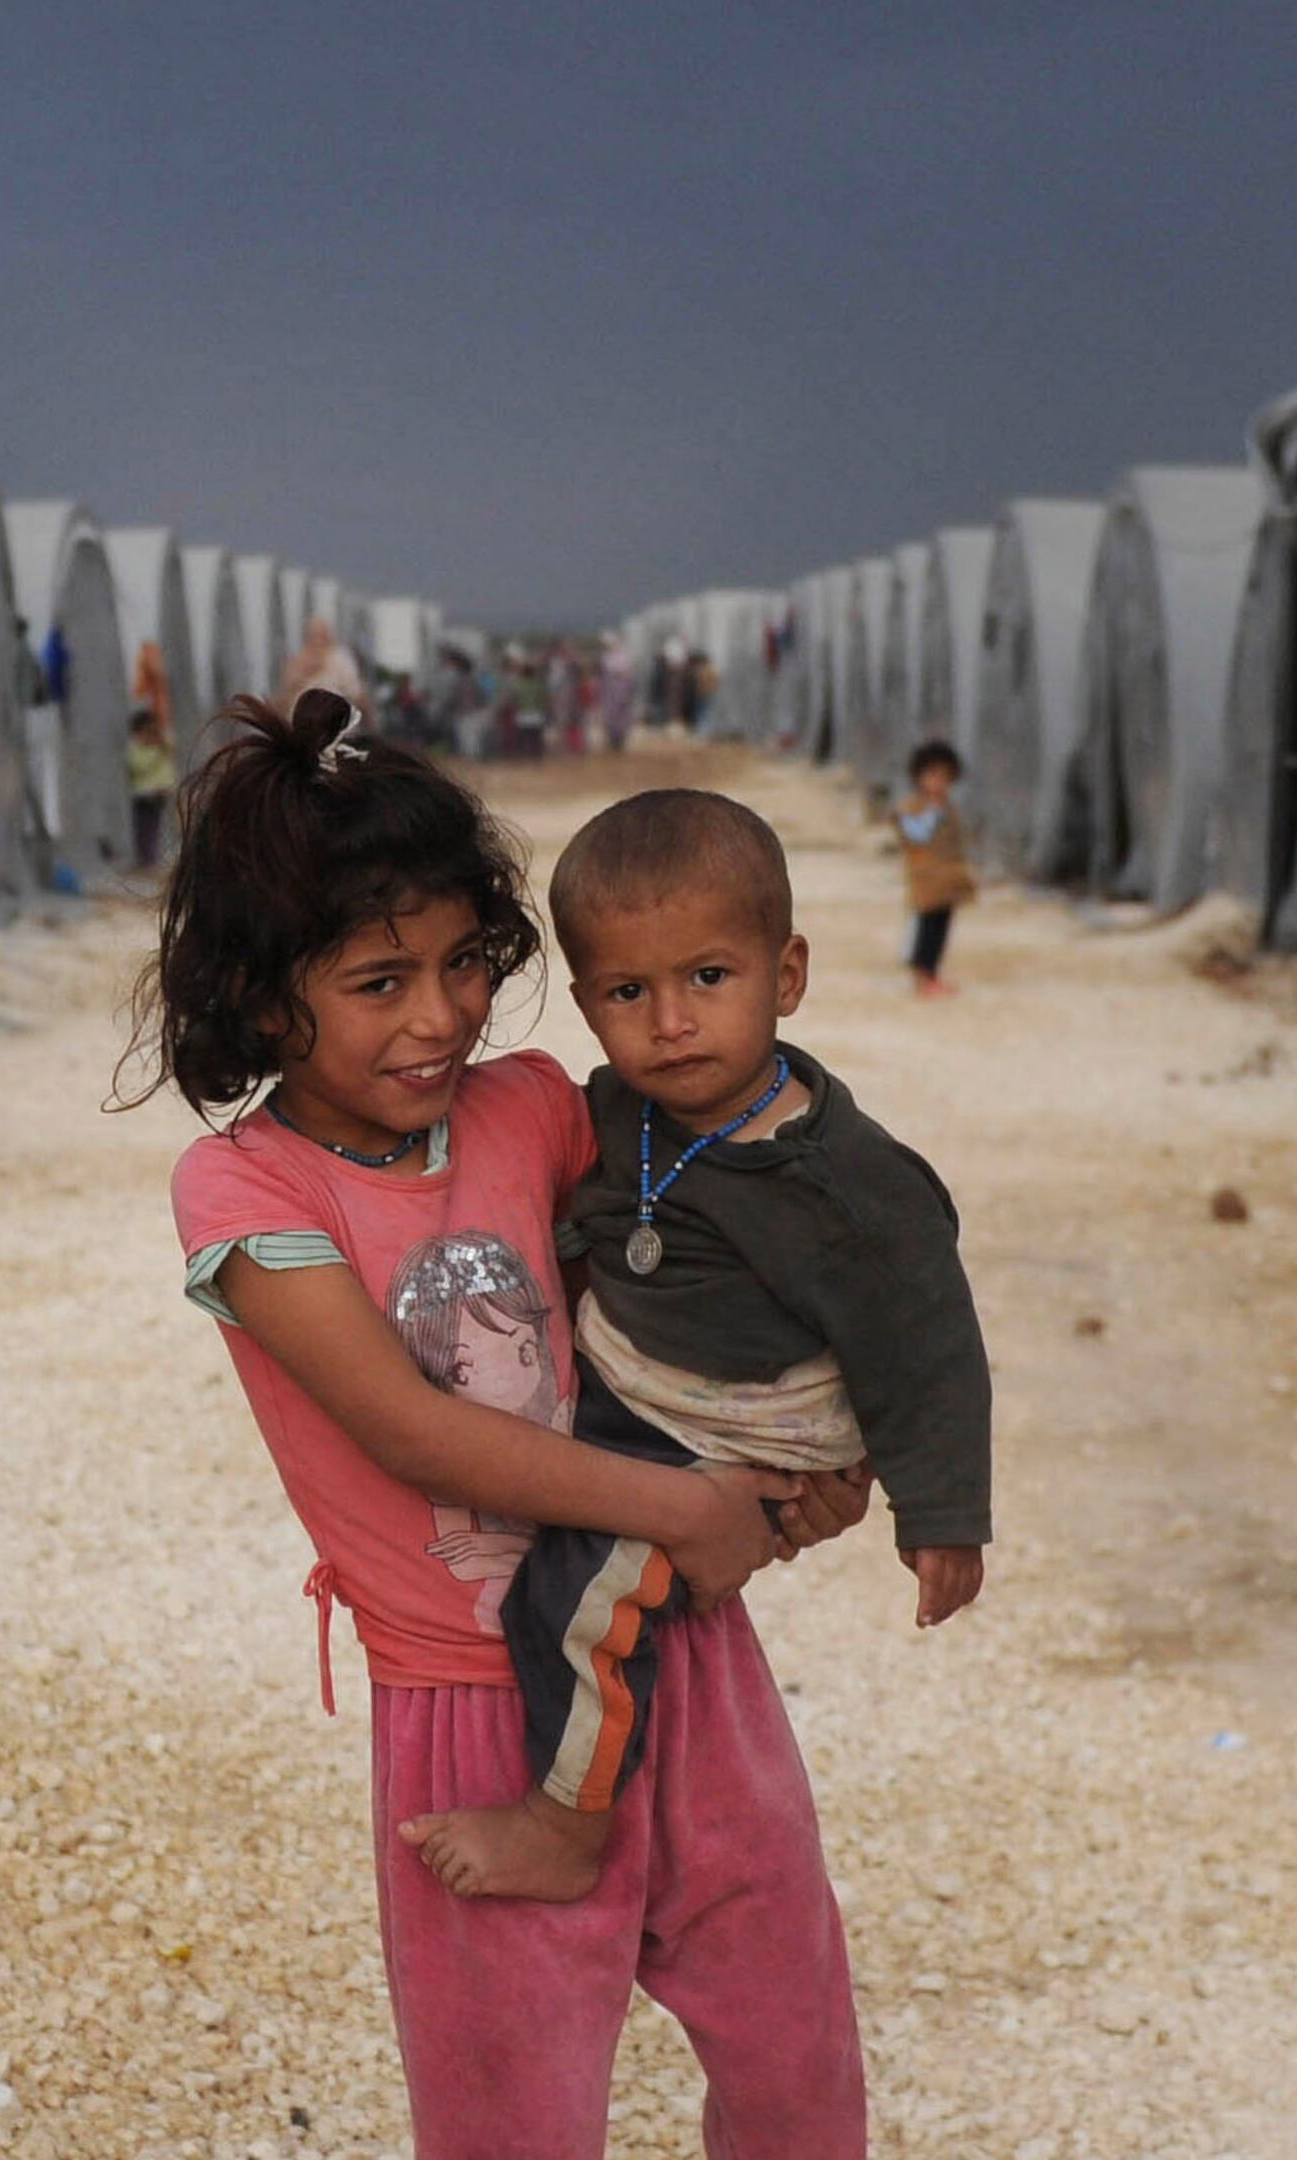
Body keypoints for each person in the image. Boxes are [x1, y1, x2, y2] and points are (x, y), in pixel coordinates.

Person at [134, 691, 871, 2153]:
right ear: (266, 995)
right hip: (472, 1711)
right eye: (379, 979)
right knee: (512, 2113)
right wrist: (682, 1510)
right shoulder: (251, 1194)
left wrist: (799, 1470)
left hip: (674, 1657)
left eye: (467, 962)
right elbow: (410, 1431)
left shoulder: (541, 1107)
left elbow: (678, 1316)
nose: (442, 1013)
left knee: (796, 2060)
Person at [398, 789, 992, 1905]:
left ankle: (567, 1825)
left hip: (731, 1433)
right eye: (631, 992)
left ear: (789, 975)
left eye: (708, 979)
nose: (671, 1021)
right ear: (587, 1003)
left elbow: (930, 1347)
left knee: (576, 1602)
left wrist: (942, 1514)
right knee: (554, 1552)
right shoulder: (626, 1111)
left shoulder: (845, 1185)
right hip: (645, 1399)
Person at [897, 739, 976, 998]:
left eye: (945, 777)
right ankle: (921, 976)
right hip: (926, 881)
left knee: (940, 931)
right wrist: (932, 812)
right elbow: (916, 835)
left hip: (946, 884)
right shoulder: (913, 807)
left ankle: (932, 975)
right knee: (926, 930)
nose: (938, 783)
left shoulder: (948, 808)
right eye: (933, 776)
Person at [125, 706, 174, 869]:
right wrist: (156, 752)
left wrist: (159, 743)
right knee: (144, 827)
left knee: (157, 826)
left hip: (160, 793)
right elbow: (139, 767)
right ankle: (146, 859)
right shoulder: (135, 749)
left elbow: (170, 749)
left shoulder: (159, 746)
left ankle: (155, 858)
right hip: (144, 794)